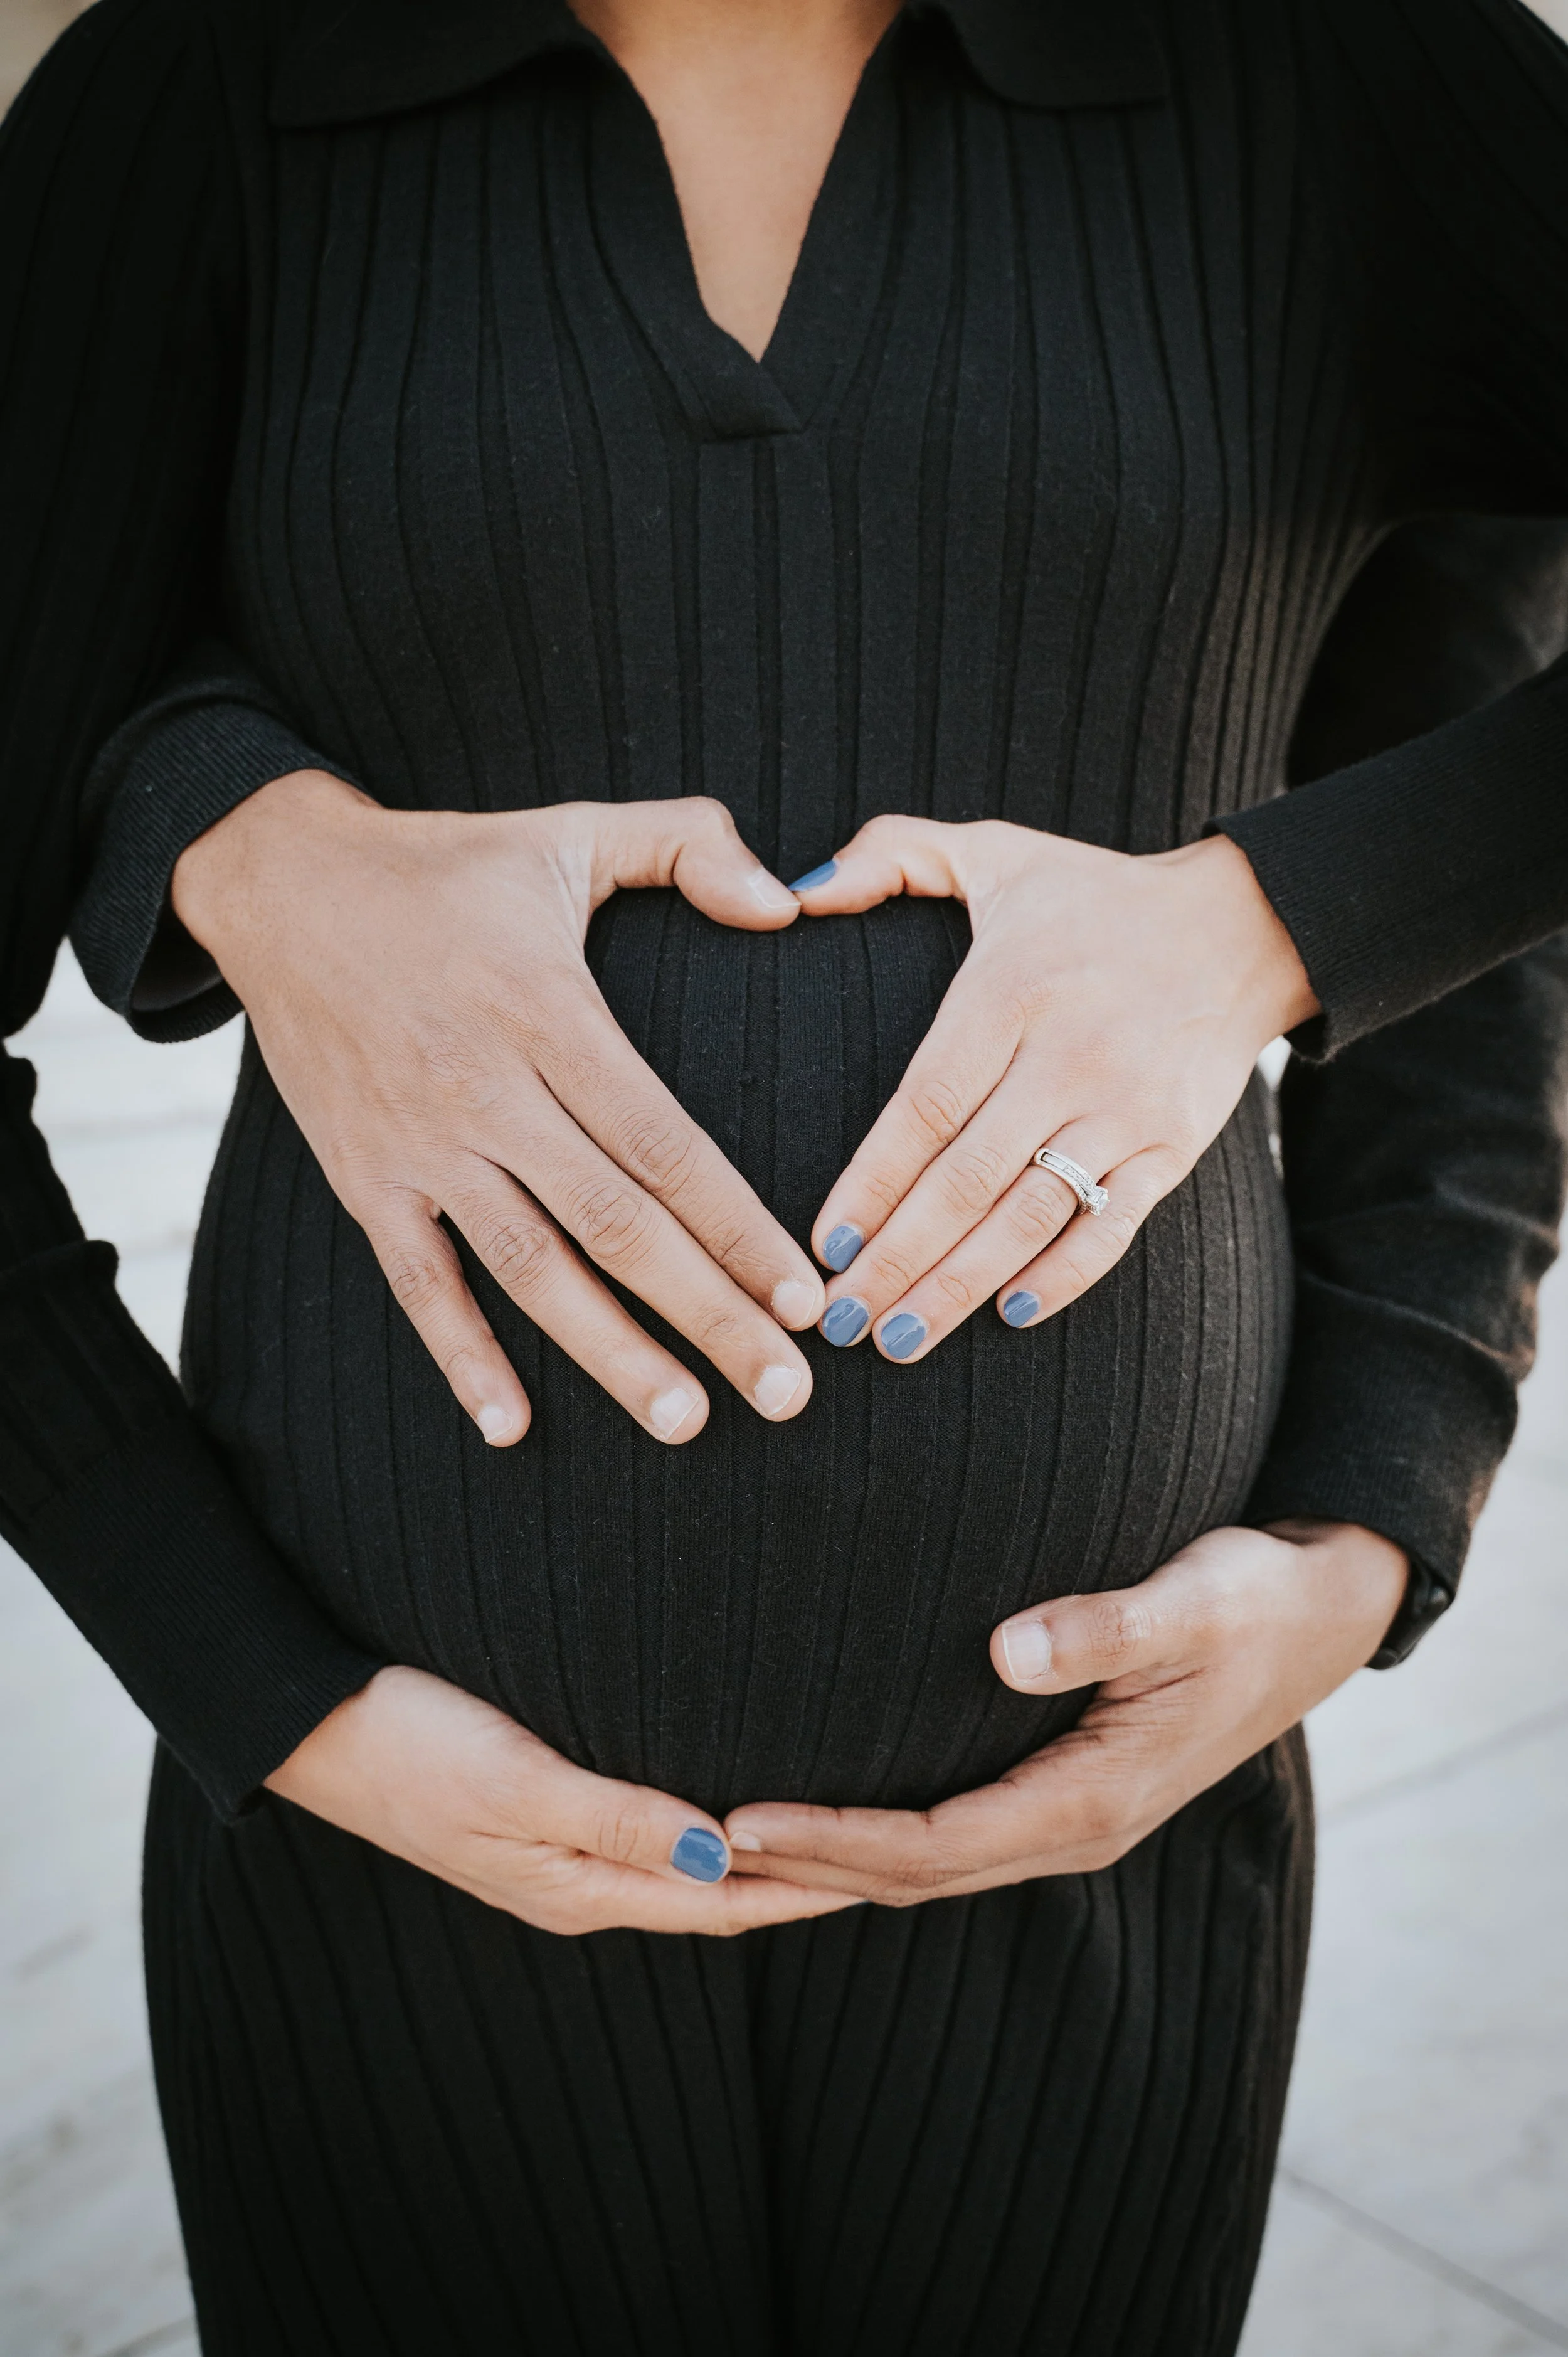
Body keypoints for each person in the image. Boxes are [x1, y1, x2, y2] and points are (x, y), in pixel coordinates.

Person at [1, 0, 1567, 2348]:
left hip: (1095, 1884)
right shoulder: (213, 80)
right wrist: (252, 1693)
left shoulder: (1344, 64)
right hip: (381, 1877)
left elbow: (1453, 778)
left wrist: (1366, 1491)